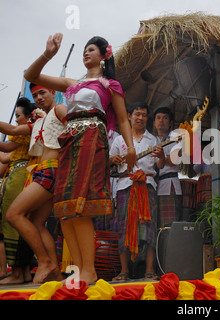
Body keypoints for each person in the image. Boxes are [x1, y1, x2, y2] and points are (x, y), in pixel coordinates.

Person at [24, 33, 137, 285]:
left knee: (80, 205)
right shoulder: (72, 83)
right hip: (69, 141)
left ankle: (90, 271)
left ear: (103, 55)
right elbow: (30, 76)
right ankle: (79, 270)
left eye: (91, 49)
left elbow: (122, 119)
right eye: (84, 50)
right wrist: (48, 55)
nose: (86, 53)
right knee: (65, 209)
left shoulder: (109, 85)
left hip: (92, 140)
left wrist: (130, 147)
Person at [0, 84, 66, 284]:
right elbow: (11, 130)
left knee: (13, 214)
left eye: (42, 93)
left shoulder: (59, 110)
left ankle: (45, 261)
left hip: (52, 169)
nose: (38, 97)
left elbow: (77, 131)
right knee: (37, 223)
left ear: (54, 92)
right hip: (41, 170)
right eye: (35, 94)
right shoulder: (39, 120)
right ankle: (53, 270)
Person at [110, 102, 165, 281]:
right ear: (129, 116)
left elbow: (160, 166)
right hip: (125, 185)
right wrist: (113, 159)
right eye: (137, 114)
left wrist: (162, 156)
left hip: (147, 185)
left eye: (144, 115)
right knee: (124, 227)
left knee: (149, 227)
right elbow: (109, 164)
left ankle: (149, 270)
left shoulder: (153, 140)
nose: (140, 118)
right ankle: (124, 271)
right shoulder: (119, 140)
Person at [0, 98, 36, 285]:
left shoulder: (29, 127)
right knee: (20, 222)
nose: (16, 120)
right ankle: (23, 272)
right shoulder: (30, 129)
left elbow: (6, 147)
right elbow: (6, 155)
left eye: (18, 116)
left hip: (21, 174)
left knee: (12, 221)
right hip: (22, 173)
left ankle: (16, 273)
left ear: (29, 117)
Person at [153, 107, 182, 227]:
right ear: (154, 123)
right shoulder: (150, 139)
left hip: (168, 184)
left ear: (170, 123)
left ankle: (169, 246)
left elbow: (175, 159)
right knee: (153, 226)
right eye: (158, 118)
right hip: (152, 185)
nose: (161, 120)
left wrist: (163, 157)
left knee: (168, 225)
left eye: (165, 118)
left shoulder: (176, 137)